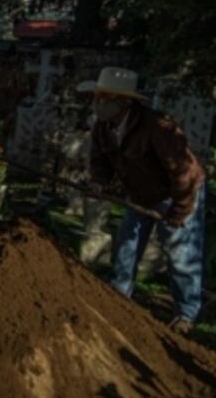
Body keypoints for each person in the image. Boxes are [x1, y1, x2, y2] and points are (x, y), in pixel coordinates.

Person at [84, 67, 206, 334]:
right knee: (126, 247)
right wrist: (98, 182)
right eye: (98, 96)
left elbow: (184, 172)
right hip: (140, 195)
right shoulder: (103, 128)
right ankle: (118, 298)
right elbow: (100, 161)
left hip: (176, 192)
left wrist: (181, 209)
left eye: (106, 97)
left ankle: (186, 315)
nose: (99, 102)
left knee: (181, 255)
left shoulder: (158, 127)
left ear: (125, 101)